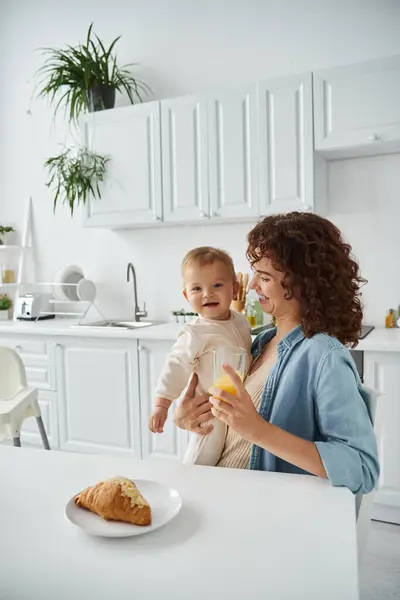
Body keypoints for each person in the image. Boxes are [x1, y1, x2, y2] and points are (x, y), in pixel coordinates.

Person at [174, 212, 380, 494]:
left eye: (265, 277)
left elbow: (362, 469)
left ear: (301, 284)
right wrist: (191, 418)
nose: (254, 285)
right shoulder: (259, 342)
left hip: (258, 507)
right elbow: (232, 432)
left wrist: (258, 430)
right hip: (217, 489)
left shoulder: (324, 356)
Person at [149, 246, 252, 465]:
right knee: (203, 455)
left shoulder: (241, 322)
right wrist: (162, 404)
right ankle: (190, 482)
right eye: (197, 288)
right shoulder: (195, 332)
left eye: (217, 285)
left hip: (235, 403)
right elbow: (175, 365)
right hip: (209, 408)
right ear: (186, 295)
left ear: (234, 289)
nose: (207, 293)